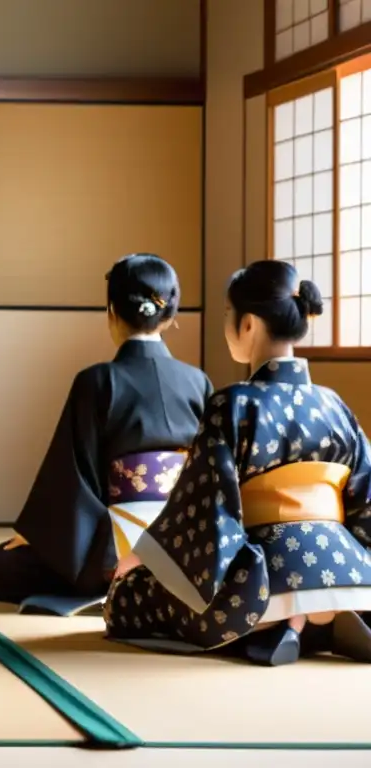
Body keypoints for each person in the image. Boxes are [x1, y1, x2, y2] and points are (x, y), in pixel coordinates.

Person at [105, 260, 371, 666]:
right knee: (329, 581)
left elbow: (206, 509)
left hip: (264, 577)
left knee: (127, 598)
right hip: (345, 567)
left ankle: (275, 623)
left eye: (229, 315)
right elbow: (365, 502)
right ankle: (326, 617)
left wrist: (142, 555)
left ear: (247, 325)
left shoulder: (233, 404)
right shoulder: (334, 404)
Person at [0, 254, 211, 616]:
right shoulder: (198, 382)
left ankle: (116, 574)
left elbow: (72, 474)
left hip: (110, 547)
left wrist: (39, 533)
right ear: (170, 316)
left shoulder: (97, 381)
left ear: (111, 311)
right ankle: (158, 574)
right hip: (181, 545)